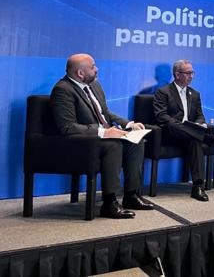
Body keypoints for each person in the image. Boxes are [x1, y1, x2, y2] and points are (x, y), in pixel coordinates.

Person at [50, 54, 154, 219]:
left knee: (136, 141)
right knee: (114, 145)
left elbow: (105, 113)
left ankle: (131, 195)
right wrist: (104, 132)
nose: (97, 69)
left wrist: (129, 124)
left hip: (101, 137)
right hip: (82, 143)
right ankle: (110, 202)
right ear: (80, 73)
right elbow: (68, 127)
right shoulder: (63, 90)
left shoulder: (94, 85)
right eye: (93, 67)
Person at [153, 60, 214, 201]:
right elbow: (161, 116)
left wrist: (198, 124)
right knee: (173, 125)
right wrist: (182, 126)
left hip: (190, 135)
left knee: (195, 140)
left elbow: (200, 115)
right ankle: (210, 138)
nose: (191, 76)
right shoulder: (163, 92)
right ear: (177, 74)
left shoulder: (194, 94)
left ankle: (198, 187)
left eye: (192, 73)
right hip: (170, 134)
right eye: (188, 73)